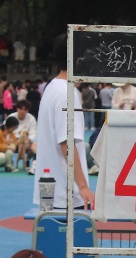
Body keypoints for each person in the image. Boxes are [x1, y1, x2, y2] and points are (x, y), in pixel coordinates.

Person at [33, 67, 96, 211]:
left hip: (51, 188)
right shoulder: (67, 93)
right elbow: (67, 143)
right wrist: (83, 186)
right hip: (66, 192)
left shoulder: (52, 87)